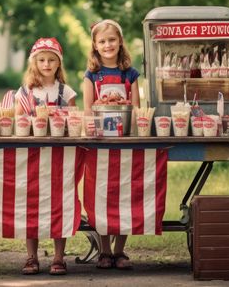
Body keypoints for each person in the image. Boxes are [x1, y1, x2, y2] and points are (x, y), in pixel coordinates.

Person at [15, 37, 77, 275]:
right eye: (42, 59)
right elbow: (18, 119)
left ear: (58, 64)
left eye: (52, 60)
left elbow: (74, 119)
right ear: (34, 63)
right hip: (32, 153)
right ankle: (31, 256)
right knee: (31, 202)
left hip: (60, 154)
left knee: (60, 203)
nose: (47, 64)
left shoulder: (66, 91)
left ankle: (59, 256)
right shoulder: (26, 91)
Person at [83, 19, 140, 270]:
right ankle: (104, 250)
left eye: (112, 40)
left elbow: (136, 108)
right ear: (95, 45)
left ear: (120, 42)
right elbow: (86, 109)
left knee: (125, 194)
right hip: (101, 143)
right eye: (102, 41)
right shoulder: (92, 75)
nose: (108, 45)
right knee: (101, 195)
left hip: (125, 140)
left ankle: (120, 250)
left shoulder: (131, 74)